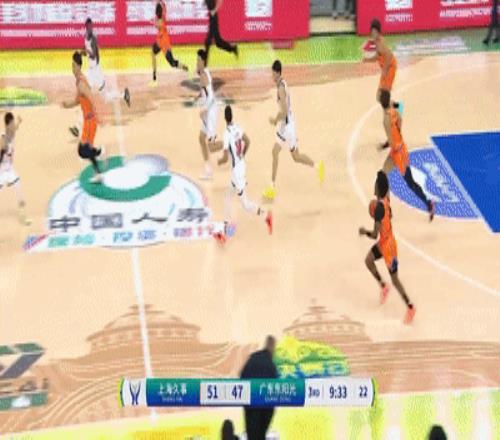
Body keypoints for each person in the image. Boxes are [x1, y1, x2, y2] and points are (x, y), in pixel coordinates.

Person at [262, 60, 325, 201]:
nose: (271, 75)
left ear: (277, 73)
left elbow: (284, 111)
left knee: (280, 153)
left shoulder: (281, 88)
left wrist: (274, 120)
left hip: (286, 127)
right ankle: (317, 166)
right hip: (287, 124)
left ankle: (272, 187)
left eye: (273, 73)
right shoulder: (283, 83)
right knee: (292, 156)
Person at [359, 171, 416, 325]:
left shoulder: (378, 208)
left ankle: (410, 307)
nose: (374, 186)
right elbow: (386, 185)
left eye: (376, 184)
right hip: (385, 241)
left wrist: (364, 232)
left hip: (389, 247)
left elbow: (374, 235)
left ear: (378, 187)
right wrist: (383, 175)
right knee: (368, 260)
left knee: (395, 280)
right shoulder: (385, 199)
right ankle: (384, 286)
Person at [209, 105, 272, 244]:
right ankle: (224, 230)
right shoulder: (238, 127)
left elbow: (225, 158)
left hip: (237, 172)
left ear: (224, 118)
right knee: (227, 196)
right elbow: (248, 141)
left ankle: (266, 214)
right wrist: (242, 154)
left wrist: (219, 162)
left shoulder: (226, 133)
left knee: (246, 204)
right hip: (240, 166)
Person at [70, 18, 130, 137]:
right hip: (91, 72)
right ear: (86, 27)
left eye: (91, 27)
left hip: (96, 72)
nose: (89, 29)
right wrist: (81, 52)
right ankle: (77, 126)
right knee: (84, 96)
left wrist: (87, 52)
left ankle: (124, 95)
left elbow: (95, 56)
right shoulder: (86, 37)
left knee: (105, 97)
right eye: (88, 27)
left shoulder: (94, 39)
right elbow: (85, 49)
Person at [380, 90, 435, 221]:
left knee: (410, 183)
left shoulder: (386, 120)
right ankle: (387, 208)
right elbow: (400, 114)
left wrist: (389, 144)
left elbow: (391, 140)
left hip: (398, 153)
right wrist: (398, 133)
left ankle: (429, 203)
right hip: (399, 148)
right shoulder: (393, 108)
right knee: (384, 175)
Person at [63, 52, 104, 183]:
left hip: (90, 120)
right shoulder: (79, 82)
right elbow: (77, 101)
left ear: (79, 66)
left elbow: (91, 98)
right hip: (88, 120)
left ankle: (98, 154)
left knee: (82, 150)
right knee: (86, 149)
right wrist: (66, 105)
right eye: (72, 65)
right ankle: (98, 163)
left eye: (74, 66)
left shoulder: (81, 83)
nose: (72, 68)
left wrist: (97, 115)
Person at [240, 336, 279, 440]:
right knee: (260, 435)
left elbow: (242, 377)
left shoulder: (253, 358)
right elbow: (275, 389)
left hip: (251, 406)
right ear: (272, 347)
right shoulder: (271, 365)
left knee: (252, 435)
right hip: (265, 408)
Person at [0, 112, 31, 225]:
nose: (14, 125)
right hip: (1, 171)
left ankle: (23, 216)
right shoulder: (3, 138)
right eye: (12, 123)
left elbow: (16, 128)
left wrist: (19, 122)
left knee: (19, 189)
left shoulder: (12, 133)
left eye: (14, 123)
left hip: (10, 170)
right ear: (7, 125)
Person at [150, 0, 189, 87]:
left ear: (156, 12)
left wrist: (152, 21)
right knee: (153, 53)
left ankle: (185, 67)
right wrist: (160, 2)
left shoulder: (159, 21)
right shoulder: (163, 15)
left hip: (165, 44)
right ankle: (154, 76)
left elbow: (156, 24)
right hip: (160, 41)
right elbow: (163, 5)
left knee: (172, 63)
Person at [195, 49, 218, 180]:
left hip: (211, 111)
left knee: (211, 145)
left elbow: (211, 97)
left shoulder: (203, 75)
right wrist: (199, 96)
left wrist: (204, 109)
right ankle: (208, 169)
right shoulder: (204, 72)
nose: (197, 62)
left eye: (198, 60)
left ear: (203, 62)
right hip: (208, 111)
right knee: (201, 138)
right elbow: (206, 92)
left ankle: (232, 144)